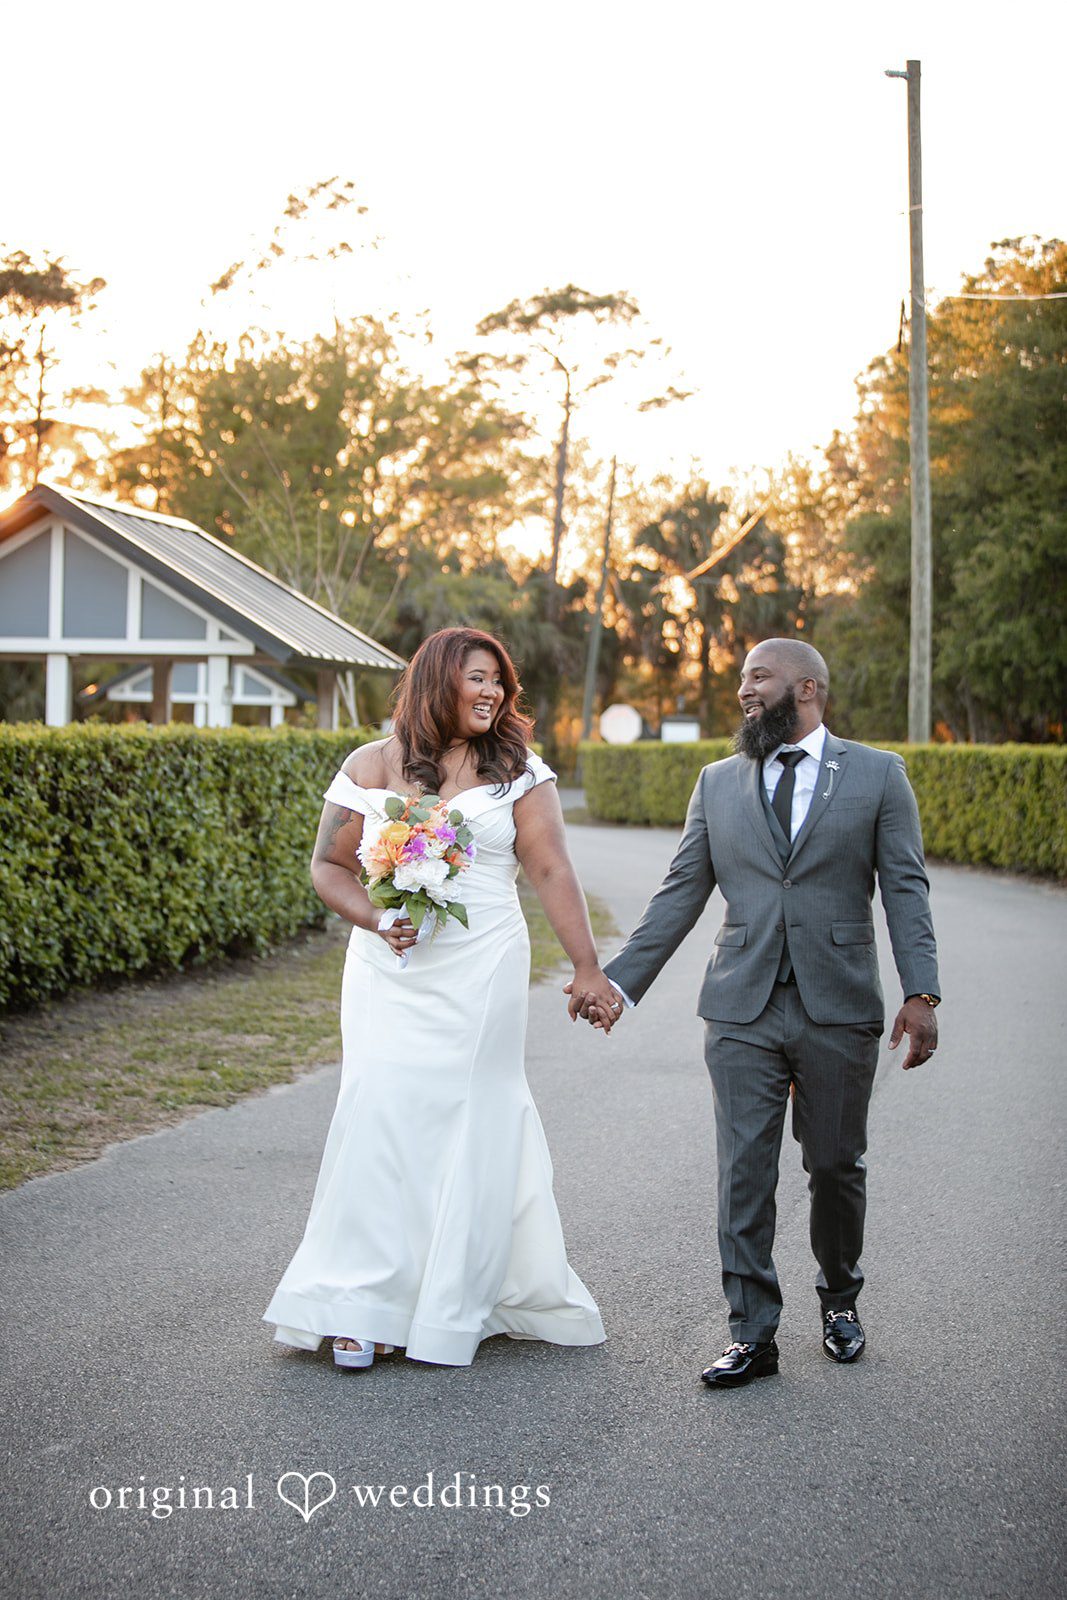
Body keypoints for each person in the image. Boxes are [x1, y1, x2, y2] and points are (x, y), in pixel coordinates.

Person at [576, 639, 940, 1386]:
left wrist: (920, 991)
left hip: (837, 1005)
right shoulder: (716, 783)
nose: (742, 690)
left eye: (757, 678)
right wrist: (619, 983)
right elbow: (680, 892)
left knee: (835, 1164)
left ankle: (839, 1301)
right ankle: (752, 1333)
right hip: (740, 1006)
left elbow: (905, 886)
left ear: (805, 687)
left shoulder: (876, 774)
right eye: (741, 677)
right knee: (743, 1170)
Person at [263, 626, 613, 1369]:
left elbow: (552, 872)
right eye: (476, 678)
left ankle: (455, 1296)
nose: (490, 692)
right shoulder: (370, 763)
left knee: (469, 1115)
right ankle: (361, 1299)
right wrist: (376, 916)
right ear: (436, 682)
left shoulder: (522, 773)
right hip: (388, 969)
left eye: (498, 681)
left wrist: (586, 968)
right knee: (381, 1111)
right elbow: (329, 867)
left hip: (481, 964)